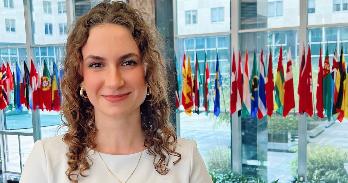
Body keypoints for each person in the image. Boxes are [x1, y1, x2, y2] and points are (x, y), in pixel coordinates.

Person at [20, 1, 212, 183]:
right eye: (96, 64)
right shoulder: (46, 160)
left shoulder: (185, 159)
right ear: (81, 77)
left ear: (147, 72)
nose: (114, 81)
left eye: (128, 62)